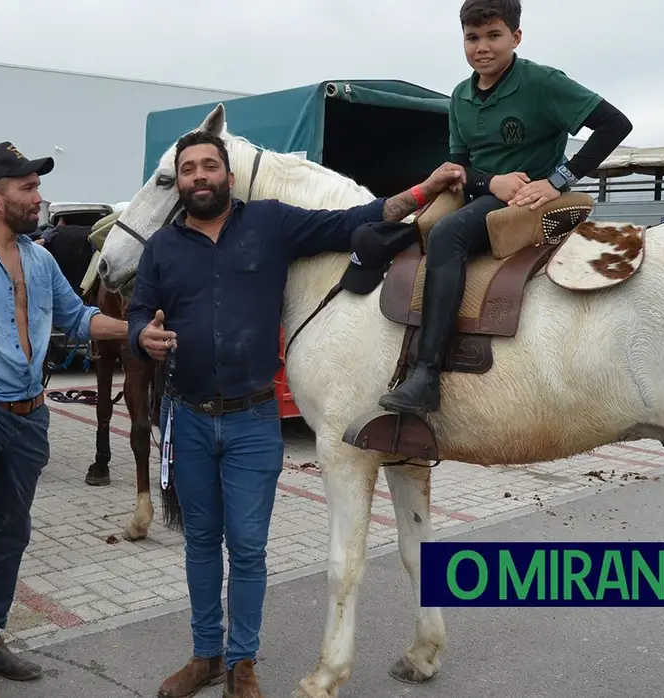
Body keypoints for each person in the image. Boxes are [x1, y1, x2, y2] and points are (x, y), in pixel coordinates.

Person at [128, 130, 465, 698]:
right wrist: (143, 335)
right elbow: (139, 311)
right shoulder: (162, 247)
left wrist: (422, 190)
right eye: (189, 170)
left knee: (252, 548)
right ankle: (205, 655)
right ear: (180, 181)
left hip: (253, 421)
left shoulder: (271, 223)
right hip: (186, 418)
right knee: (202, 543)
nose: (200, 177)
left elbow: (357, 216)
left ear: (229, 177)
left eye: (210, 167)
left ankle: (242, 663)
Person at [0, 142, 130, 683]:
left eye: (37, 186)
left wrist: (135, 330)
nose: (39, 197)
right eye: (27, 188)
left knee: (13, 528)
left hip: (31, 413)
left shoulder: (39, 258)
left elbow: (78, 318)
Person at [377, 0, 633, 416]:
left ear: (515, 37)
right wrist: (487, 180)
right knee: (401, 231)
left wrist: (558, 180)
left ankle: (426, 375)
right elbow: (460, 164)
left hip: (526, 198)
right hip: (482, 191)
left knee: (447, 235)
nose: (482, 47)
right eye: (472, 37)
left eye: (494, 35)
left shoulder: (543, 82)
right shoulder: (460, 95)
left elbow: (615, 124)